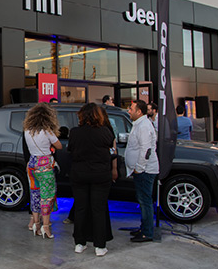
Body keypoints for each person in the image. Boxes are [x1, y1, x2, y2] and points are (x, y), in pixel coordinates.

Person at [68, 104, 117, 256]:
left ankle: (79, 243)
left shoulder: (74, 132)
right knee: (99, 209)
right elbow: (112, 150)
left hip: (79, 174)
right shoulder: (105, 132)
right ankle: (100, 246)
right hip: (100, 175)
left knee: (80, 208)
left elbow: (71, 150)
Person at [23, 103, 62, 239]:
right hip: (44, 165)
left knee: (34, 194)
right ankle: (46, 227)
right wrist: (51, 146)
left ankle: (36, 224)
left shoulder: (27, 131)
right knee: (47, 196)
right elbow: (59, 145)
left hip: (31, 164)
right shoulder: (47, 132)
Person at [126, 100, 159, 243]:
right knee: (143, 200)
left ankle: (147, 232)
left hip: (145, 171)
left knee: (145, 201)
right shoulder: (140, 124)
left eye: (131, 109)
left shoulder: (144, 126)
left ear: (139, 112)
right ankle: (144, 228)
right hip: (142, 170)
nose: (129, 111)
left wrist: (139, 168)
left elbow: (146, 150)